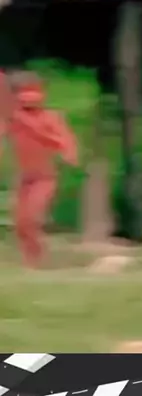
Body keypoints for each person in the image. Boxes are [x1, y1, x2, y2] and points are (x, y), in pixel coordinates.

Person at [6, 71, 78, 266]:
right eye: (23, 92)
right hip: (24, 177)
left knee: (31, 218)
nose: (28, 97)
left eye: (33, 91)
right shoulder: (13, 118)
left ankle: (38, 261)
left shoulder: (50, 117)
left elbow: (65, 140)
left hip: (45, 177)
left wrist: (68, 153)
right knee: (21, 224)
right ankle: (31, 261)